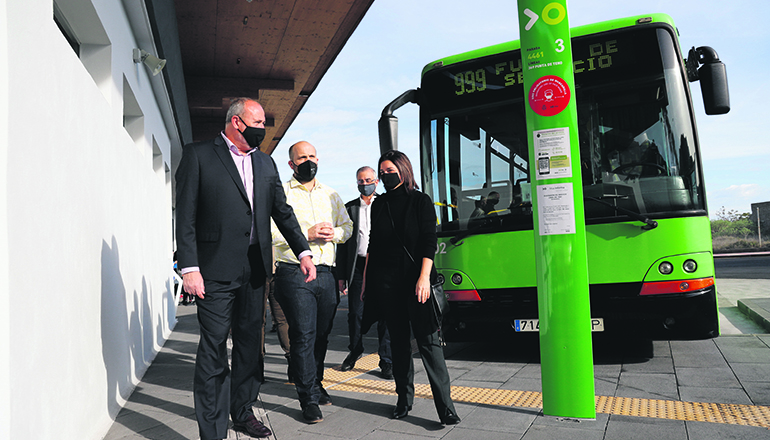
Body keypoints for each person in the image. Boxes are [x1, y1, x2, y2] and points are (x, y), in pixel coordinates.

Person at [175, 97, 316, 440]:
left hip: (254, 271)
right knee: (213, 349)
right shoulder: (199, 155)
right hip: (212, 272)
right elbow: (186, 215)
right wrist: (189, 266)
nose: (262, 131)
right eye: (258, 124)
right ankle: (212, 430)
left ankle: (242, 411)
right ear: (237, 122)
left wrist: (303, 251)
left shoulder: (266, 164)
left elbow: (281, 212)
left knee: (250, 347)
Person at [361, 150, 461, 425]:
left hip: (417, 283)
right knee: (400, 346)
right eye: (382, 171)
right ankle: (403, 400)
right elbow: (372, 246)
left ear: (403, 170)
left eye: (390, 170)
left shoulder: (420, 200)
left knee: (429, 344)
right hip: (386, 284)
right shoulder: (378, 205)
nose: (384, 175)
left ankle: (446, 408)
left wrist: (424, 277)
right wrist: (367, 282)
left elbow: (430, 240)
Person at [272, 141, 353, 424]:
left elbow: (348, 227)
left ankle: (316, 382)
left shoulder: (331, 194)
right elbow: (269, 231)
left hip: (326, 273)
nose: (308, 161)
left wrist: (336, 234)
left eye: (312, 156)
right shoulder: (280, 192)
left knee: (321, 334)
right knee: (303, 334)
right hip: (294, 272)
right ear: (291, 164)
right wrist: (305, 234)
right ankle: (307, 397)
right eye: (301, 157)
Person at [336, 166, 393, 379]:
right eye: (361, 181)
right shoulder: (349, 208)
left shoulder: (386, 204)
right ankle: (356, 349)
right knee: (355, 313)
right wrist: (341, 275)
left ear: (376, 181)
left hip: (383, 266)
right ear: (357, 182)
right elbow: (342, 244)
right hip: (358, 267)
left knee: (385, 315)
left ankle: (386, 360)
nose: (365, 184)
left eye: (368, 180)